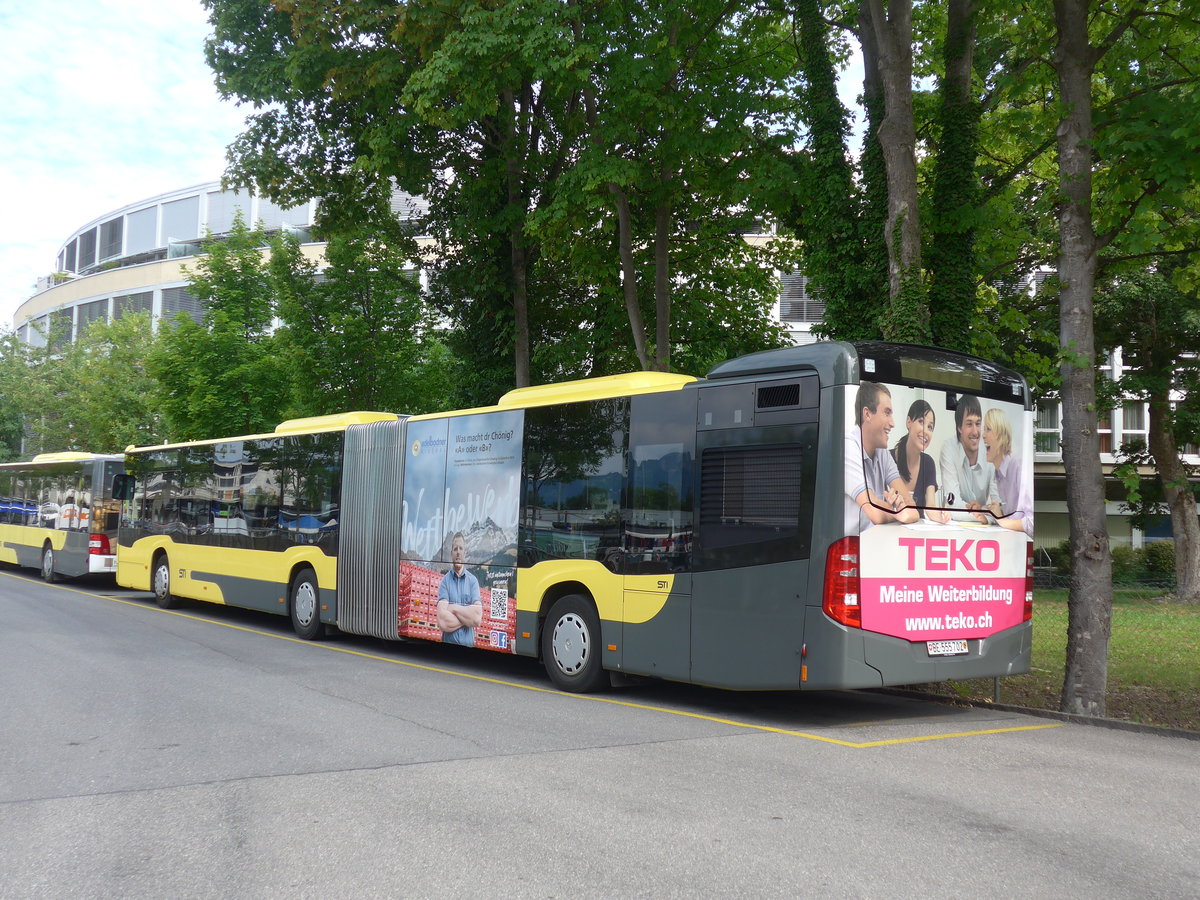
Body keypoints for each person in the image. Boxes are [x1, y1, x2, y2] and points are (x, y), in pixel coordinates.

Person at [844, 381, 920, 534]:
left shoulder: (882, 452)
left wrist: (889, 507)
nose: (892, 423)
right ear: (867, 414)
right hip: (849, 551)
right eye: (887, 412)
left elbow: (912, 510)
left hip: (873, 545)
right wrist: (896, 509)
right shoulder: (848, 447)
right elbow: (875, 514)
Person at [938, 394, 1001, 524]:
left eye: (978, 424)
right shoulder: (949, 448)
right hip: (955, 528)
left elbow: (999, 507)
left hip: (985, 531)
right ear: (959, 428)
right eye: (969, 424)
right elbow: (953, 506)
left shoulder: (990, 449)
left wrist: (984, 511)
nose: (975, 431)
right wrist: (984, 516)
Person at [890, 399, 951, 524]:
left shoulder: (928, 463)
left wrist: (941, 516)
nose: (926, 431)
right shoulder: (888, 459)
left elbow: (930, 506)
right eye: (921, 422)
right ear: (909, 422)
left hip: (916, 536)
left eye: (930, 427)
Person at [984, 408, 1034, 536]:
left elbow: (1032, 522)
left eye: (988, 429)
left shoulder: (1018, 466)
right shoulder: (998, 474)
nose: (983, 435)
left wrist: (1001, 519)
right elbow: (1010, 515)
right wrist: (986, 512)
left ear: (1001, 436)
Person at [437, 532, 482, 646]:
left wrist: (453, 608)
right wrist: (467, 619)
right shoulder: (444, 582)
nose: (458, 552)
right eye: (455, 549)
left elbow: (476, 619)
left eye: (461, 548)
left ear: (464, 553)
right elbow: (442, 622)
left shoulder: (473, 582)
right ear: (451, 553)